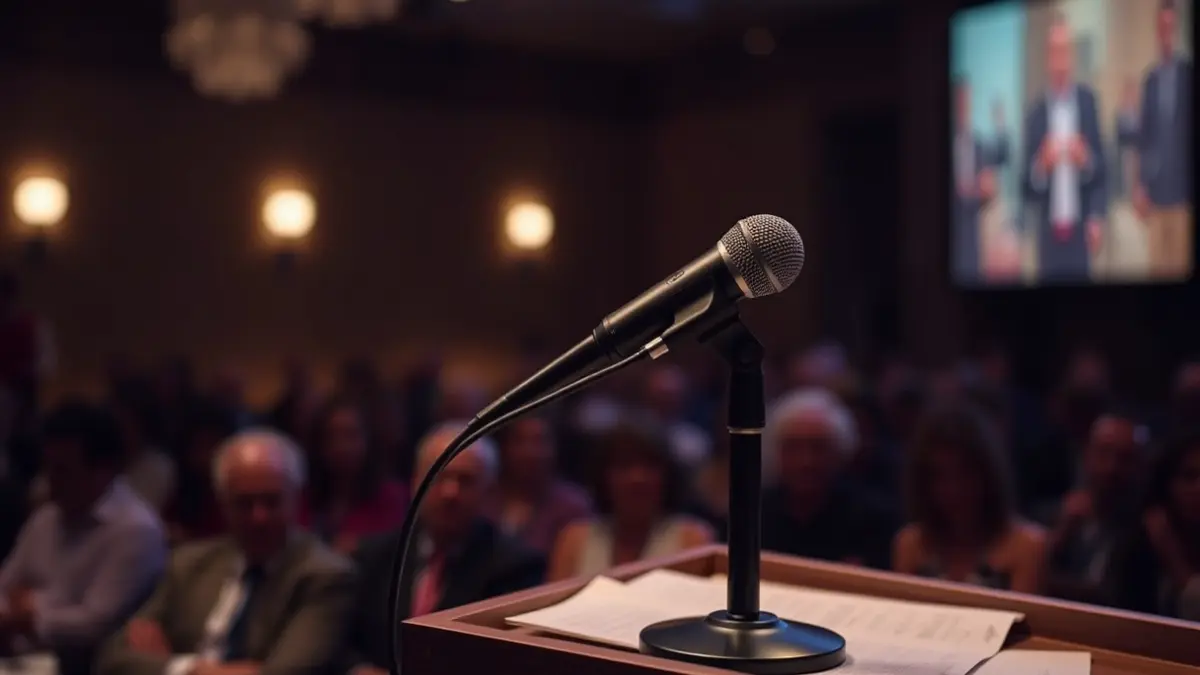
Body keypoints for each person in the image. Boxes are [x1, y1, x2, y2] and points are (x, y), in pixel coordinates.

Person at [97, 429, 356, 675]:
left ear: (296, 499)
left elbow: (284, 674)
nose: (259, 517)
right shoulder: (189, 564)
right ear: (222, 503)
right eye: (244, 503)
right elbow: (113, 657)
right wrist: (192, 669)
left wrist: (165, 665)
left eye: (272, 501)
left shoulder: (323, 576)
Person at [342, 422, 544, 675]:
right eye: (439, 476)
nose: (450, 492)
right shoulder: (373, 556)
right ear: (416, 483)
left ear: (489, 492)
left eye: (466, 480)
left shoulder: (517, 568)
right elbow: (342, 642)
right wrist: (357, 668)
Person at [0, 401, 166, 675]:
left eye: (62, 470)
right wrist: (12, 615)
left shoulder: (136, 530)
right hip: (21, 658)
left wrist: (31, 614)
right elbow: (6, 584)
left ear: (103, 470)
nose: (50, 482)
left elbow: (96, 624)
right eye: (48, 468)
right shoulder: (46, 518)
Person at [893, 403, 1045, 593]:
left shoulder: (1026, 546)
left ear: (988, 474)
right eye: (939, 476)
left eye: (965, 473)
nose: (954, 489)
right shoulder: (911, 545)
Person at [548, 415, 713, 580]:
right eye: (624, 466)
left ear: (668, 475)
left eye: (649, 466)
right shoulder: (574, 540)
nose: (637, 478)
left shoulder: (692, 539)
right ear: (603, 476)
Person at [759, 389, 900, 569]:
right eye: (793, 447)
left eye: (818, 447)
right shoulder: (752, 515)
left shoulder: (876, 520)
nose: (806, 461)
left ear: (841, 452)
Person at [1021, 13, 1106, 282]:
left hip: (1082, 233)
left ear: (1072, 56)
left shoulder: (1088, 103)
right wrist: (1041, 166)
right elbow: (1024, 185)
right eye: (1055, 52)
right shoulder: (1035, 113)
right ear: (1048, 58)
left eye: (1065, 51)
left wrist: (1086, 159)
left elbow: (1103, 168)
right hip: (1047, 237)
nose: (1060, 60)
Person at [1044, 411, 1149, 604]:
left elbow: (1116, 598)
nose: (1111, 468)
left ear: (1140, 466)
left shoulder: (1147, 530)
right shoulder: (1048, 516)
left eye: (1124, 458)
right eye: (1103, 453)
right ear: (1086, 455)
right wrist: (1061, 534)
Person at [299, 397, 408, 555]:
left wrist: (362, 547)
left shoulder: (391, 497)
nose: (341, 446)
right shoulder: (305, 496)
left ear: (368, 439)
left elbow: (398, 548)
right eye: (331, 436)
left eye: (351, 435)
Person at [1134, 0, 1193, 279]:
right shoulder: (1150, 80)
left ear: (1176, 30)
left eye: (1170, 28)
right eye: (1161, 28)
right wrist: (1140, 185)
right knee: (1157, 269)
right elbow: (1143, 137)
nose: (1166, 34)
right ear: (1157, 32)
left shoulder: (1188, 74)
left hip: (1184, 195)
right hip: (1157, 195)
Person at [1112, 431, 1200, 619]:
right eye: (1189, 476)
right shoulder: (1140, 542)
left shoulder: (1164, 543)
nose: (1198, 488)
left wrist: (1175, 562)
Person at [493, 416, 592, 555]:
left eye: (539, 441)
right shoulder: (483, 497)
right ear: (504, 447)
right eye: (520, 441)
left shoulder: (573, 506)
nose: (530, 452)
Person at [952, 78, 998, 283]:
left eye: (966, 102)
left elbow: (987, 192)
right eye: (959, 101)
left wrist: (987, 191)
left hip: (971, 240)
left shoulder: (978, 145)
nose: (963, 108)